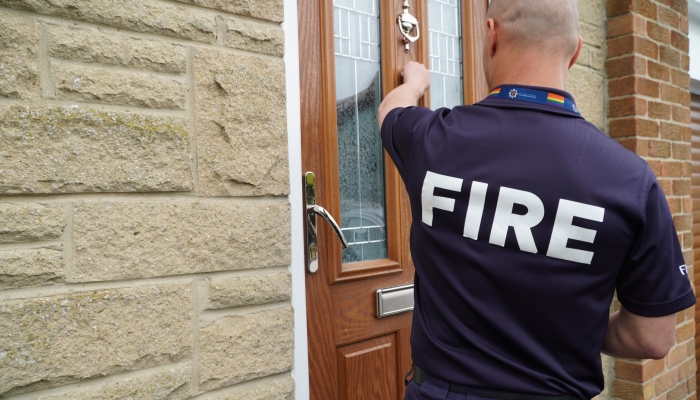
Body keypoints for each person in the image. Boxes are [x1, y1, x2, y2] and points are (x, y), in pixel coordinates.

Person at [377, 0, 696, 399]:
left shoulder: (431, 139)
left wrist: (414, 81)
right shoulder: (630, 180)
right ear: (577, 51)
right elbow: (653, 336)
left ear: (492, 35)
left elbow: (391, 109)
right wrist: (570, 330)